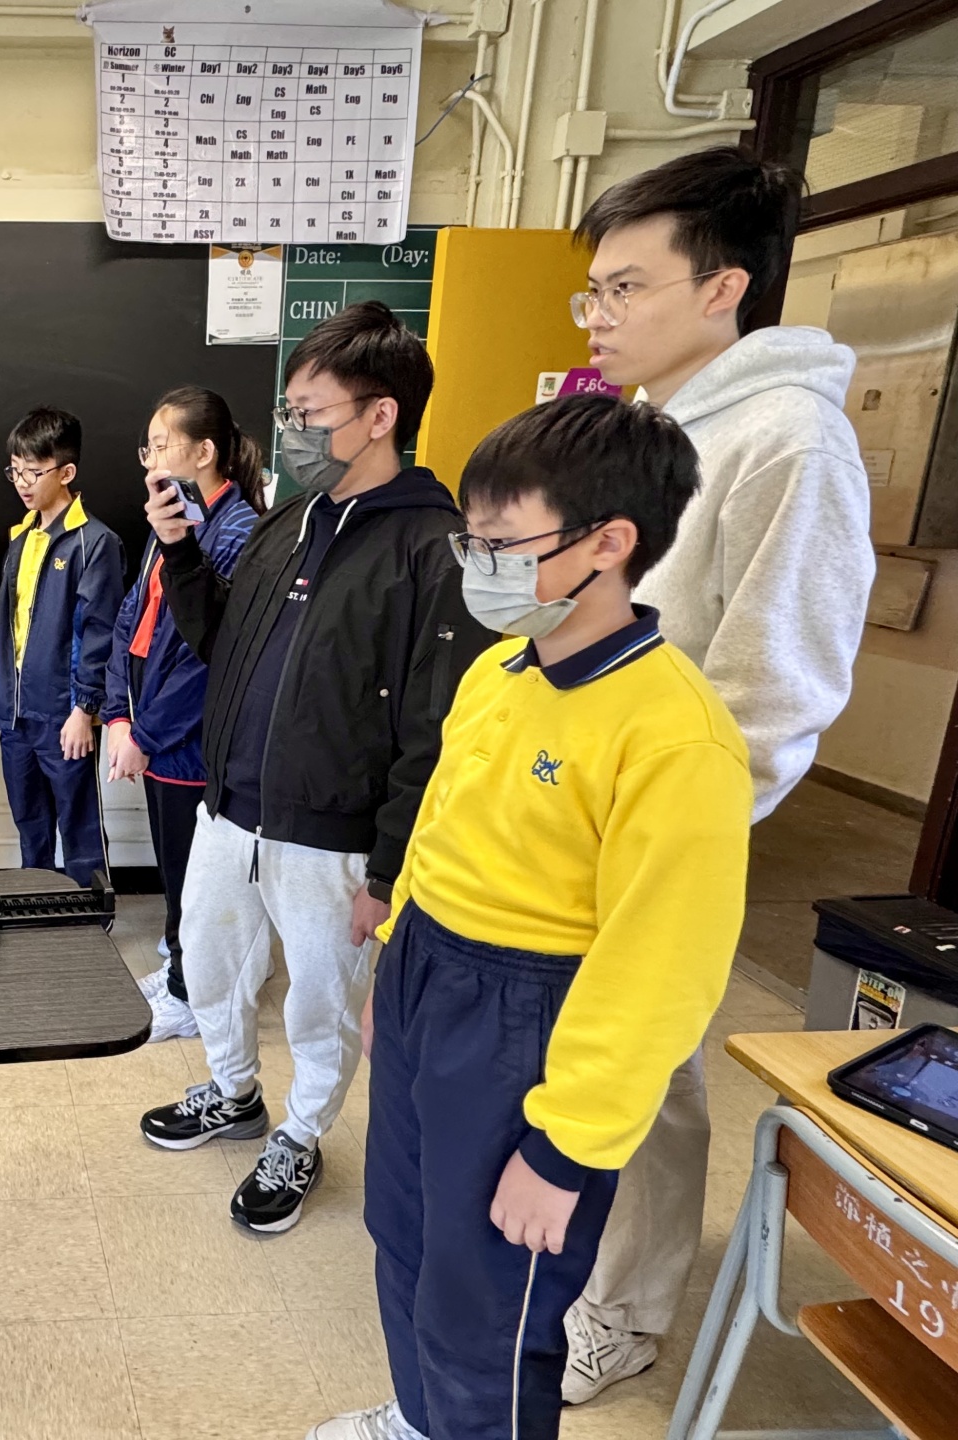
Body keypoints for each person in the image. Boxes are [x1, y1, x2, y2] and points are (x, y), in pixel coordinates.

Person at [307, 394, 753, 1440]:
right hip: (427, 978)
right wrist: (389, 976)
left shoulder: (675, 735)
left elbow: (661, 970)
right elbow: (441, 834)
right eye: (473, 541)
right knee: (405, 1237)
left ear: (609, 543)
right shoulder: (497, 674)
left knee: (491, 1300)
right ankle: (423, 1421)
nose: (480, 566)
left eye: (504, 544)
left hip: (526, 1019)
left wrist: (567, 1152)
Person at [560, 147, 875, 1403]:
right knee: (581, 1052)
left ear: (722, 286)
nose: (597, 316)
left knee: (649, 1067)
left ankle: (625, 1310)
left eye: (624, 287)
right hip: (573, 809)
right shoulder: (640, 430)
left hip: (663, 830)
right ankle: (573, 1263)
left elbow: (780, 684)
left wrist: (674, 835)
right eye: (593, 290)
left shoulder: (792, 437)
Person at [137, 301, 491, 1235]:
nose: (292, 432)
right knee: (211, 961)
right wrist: (179, 554)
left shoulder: (433, 548)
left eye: (311, 413)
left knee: (322, 1004)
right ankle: (232, 1092)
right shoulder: (289, 521)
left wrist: (387, 871)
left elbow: (434, 730)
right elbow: (220, 642)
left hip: (333, 836)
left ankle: (300, 1134)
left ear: (381, 415)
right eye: (289, 412)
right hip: (229, 809)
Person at [103, 387, 262, 1043]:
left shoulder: (238, 532)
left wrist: (144, 732)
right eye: (147, 447)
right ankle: (179, 967)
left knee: (198, 878)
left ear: (204, 452)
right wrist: (117, 714)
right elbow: (131, 618)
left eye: (161, 445)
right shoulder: (170, 521)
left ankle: (192, 996)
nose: (150, 459)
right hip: (154, 734)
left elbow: (208, 661)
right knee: (175, 868)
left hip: (191, 743)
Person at [0, 408, 126, 885]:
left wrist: (85, 709)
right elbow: (11, 621)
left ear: (66, 472)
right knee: (30, 825)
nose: (22, 483)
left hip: (64, 715)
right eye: (15, 471)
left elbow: (100, 632)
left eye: (34, 472)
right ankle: (36, 908)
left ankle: (92, 916)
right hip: (15, 714)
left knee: (79, 827)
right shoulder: (22, 537)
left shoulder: (94, 542)